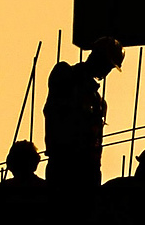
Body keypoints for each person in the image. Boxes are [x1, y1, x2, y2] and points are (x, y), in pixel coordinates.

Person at [45, 37, 122, 191]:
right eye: (107, 65)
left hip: (89, 169)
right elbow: (63, 108)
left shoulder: (98, 100)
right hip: (64, 165)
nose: (106, 71)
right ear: (96, 57)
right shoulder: (65, 74)